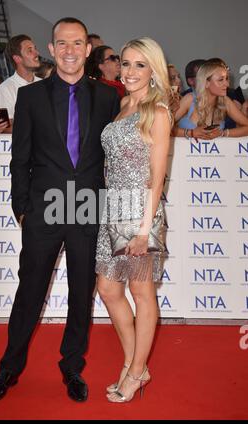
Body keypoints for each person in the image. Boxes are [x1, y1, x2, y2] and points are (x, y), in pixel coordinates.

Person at [0, 17, 120, 404]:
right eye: (63, 43)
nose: (70, 50)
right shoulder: (30, 97)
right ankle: (8, 367)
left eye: (77, 43)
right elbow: (19, 158)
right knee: (29, 292)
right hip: (42, 211)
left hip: (88, 209)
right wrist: (22, 209)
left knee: (81, 294)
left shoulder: (108, 97)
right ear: (52, 47)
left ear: (87, 49)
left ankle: (72, 366)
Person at [95, 37, 171, 402]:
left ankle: (137, 371)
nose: (130, 71)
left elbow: (157, 178)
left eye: (140, 64)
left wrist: (144, 229)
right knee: (109, 290)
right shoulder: (123, 105)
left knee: (141, 293)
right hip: (111, 210)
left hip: (141, 211)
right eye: (125, 63)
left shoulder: (157, 112)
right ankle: (133, 363)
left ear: (153, 69)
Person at [174, 60, 248, 139]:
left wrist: (223, 133)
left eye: (226, 79)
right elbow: (163, 127)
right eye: (221, 80)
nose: (227, 84)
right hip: (184, 151)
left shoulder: (225, 101)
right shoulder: (189, 99)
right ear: (206, 83)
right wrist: (191, 133)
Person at [0, 34, 41, 132]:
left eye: (35, 49)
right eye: (30, 50)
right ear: (17, 58)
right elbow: (4, 128)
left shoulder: (44, 84)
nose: (37, 53)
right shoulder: (3, 89)